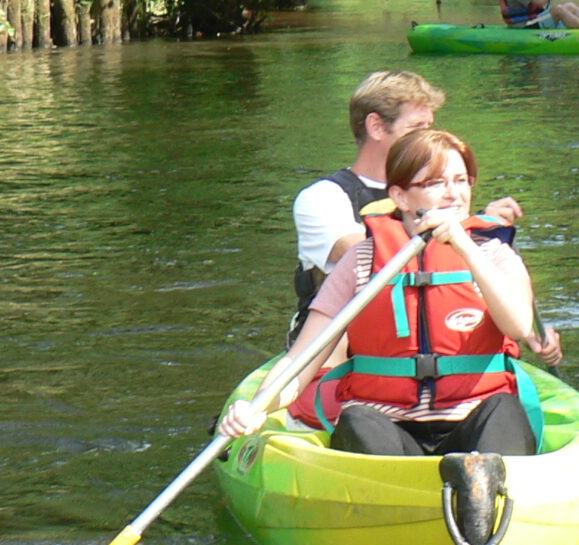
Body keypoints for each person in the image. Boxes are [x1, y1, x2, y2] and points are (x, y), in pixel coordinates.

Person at [228, 128, 541, 457]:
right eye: (436, 183)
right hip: (389, 431)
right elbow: (300, 361)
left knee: (504, 409)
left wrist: (464, 246)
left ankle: (479, 485)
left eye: (462, 180)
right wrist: (256, 408)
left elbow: (519, 326)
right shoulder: (361, 261)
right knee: (357, 419)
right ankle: (402, 491)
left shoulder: (492, 253)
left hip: (473, 425)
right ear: (401, 196)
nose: (455, 195)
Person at [291, 71, 559, 362]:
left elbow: (449, 264)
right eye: (416, 128)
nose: (427, 138)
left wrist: (483, 231)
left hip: (432, 333)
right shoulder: (322, 198)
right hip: (346, 344)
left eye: (429, 126)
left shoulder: (441, 193)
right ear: (376, 127)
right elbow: (372, 257)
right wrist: (467, 228)